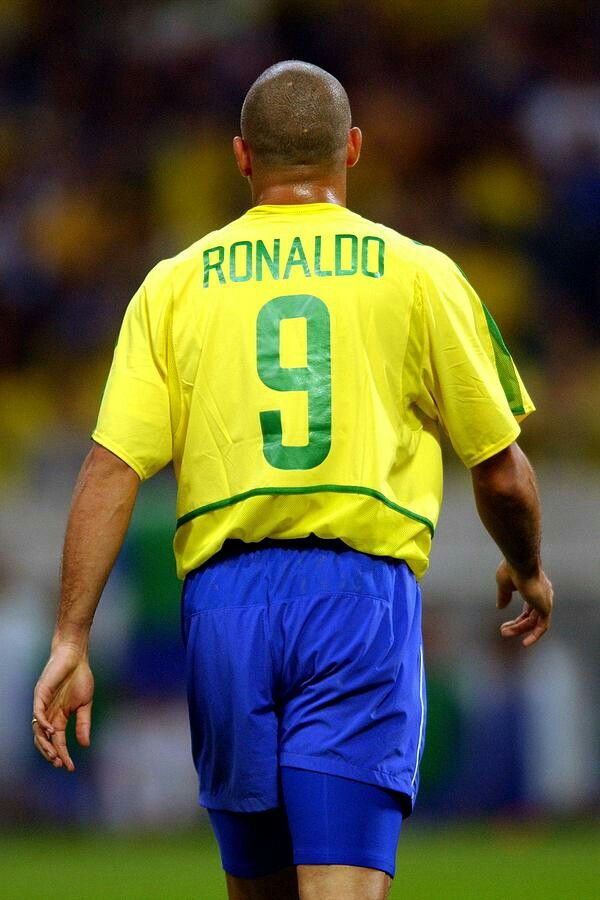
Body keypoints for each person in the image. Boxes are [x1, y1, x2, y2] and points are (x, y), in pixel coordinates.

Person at [32, 61, 553, 900]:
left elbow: (110, 468)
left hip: (224, 607)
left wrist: (70, 638)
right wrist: (527, 566)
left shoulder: (173, 285)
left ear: (242, 157)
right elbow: (501, 473)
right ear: (353, 148)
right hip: (355, 599)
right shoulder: (421, 274)